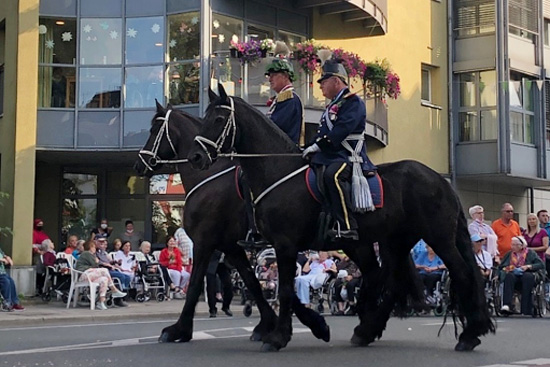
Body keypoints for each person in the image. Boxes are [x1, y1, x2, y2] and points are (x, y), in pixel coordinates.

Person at [302, 57, 376, 241]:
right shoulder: (333, 105)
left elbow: (341, 130)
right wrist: (306, 147)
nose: (320, 87)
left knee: (332, 176)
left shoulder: (352, 102)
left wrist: (317, 146)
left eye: (323, 82)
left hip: (347, 156)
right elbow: (323, 133)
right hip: (331, 155)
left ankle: (347, 225)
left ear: (336, 81)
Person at [264, 41, 305, 146]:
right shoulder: (282, 98)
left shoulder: (289, 98)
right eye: (270, 76)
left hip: (284, 152)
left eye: (273, 75)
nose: (270, 79)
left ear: (285, 76)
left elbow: (273, 126)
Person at [498, 236, 546, 315]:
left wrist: (528, 266)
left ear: (522, 246)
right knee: (509, 276)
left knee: (527, 276)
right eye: (512, 245)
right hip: (513, 275)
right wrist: (509, 268)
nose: (513, 247)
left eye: (515, 245)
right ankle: (507, 305)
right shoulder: (509, 254)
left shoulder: (530, 253)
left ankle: (526, 307)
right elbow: (501, 267)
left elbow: (541, 264)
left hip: (527, 275)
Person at [74, 240, 127, 310]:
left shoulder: (90, 255)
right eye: (94, 247)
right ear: (91, 247)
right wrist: (97, 261)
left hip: (90, 275)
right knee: (105, 270)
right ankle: (114, 290)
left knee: (104, 279)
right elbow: (95, 265)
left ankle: (101, 301)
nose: (95, 249)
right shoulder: (86, 253)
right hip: (83, 275)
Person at [95, 237, 130, 307]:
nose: (103, 245)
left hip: (110, 269)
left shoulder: (103, 252)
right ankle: (118, 299)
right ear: (96, 242)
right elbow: (98, 262)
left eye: (104, 243)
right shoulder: (94, 252)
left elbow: (109, 261)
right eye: (101, 243)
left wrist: (115, 262)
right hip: (103, 270)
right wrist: (108, 265)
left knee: (127, 277)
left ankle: (122, 293)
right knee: (121, 277)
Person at [206, 250, 233, 317]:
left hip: (223, 264)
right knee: (211, 287)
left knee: (228, 284)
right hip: (212, 262)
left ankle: (226, 306)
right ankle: (212, 309)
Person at [0, 247, 24, 311]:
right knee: (6, 282)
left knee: (11, 281)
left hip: (2, 272)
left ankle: (14, 303)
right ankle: (7, 303)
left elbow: (3, 255)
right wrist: (2, 260)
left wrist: (7, 258)